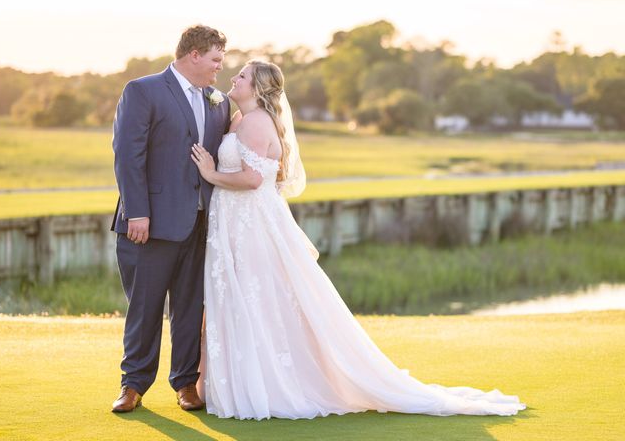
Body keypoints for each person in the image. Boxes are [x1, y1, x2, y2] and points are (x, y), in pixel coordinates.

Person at [190, 60, 527, 420]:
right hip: (238, 224)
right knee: (240, 296)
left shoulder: (257, 122)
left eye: (241, 75)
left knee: (255, 297)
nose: (234, 78)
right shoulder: (240, 119)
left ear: (257, 88)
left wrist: (211, 173)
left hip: (251, 226)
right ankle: (239, 380)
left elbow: (254, 180)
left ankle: (271, 386)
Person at [110, 25, 231, 413]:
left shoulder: (219, 102)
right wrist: (138, 212)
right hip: (149, 224)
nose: (219, 69)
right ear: (193, 55)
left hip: (199, 226)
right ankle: (133, 385)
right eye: (215, 60)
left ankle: (185, 383)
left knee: (190, 306)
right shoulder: (143, 90)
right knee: (144, 307)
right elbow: (128, 155)